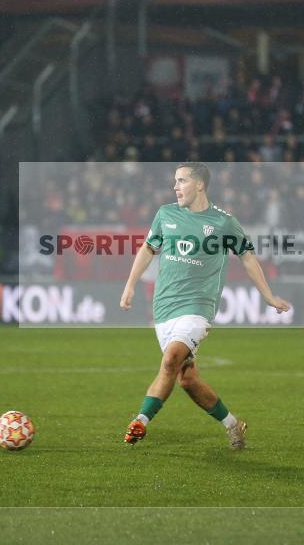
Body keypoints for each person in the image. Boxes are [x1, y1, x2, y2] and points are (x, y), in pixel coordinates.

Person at [119, 162, 291, 448]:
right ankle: (234, 424)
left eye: (182, 180)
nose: (175, 186)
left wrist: (269, 296)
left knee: (171, 360)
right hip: (163, 308)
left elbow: (247, 257)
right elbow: (148, 248)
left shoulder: (223, 222)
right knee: (187, 379)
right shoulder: (166, 214)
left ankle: (140, 421)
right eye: (175, 181)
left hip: (198, 307)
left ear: (199, 185)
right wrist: (130, 284)